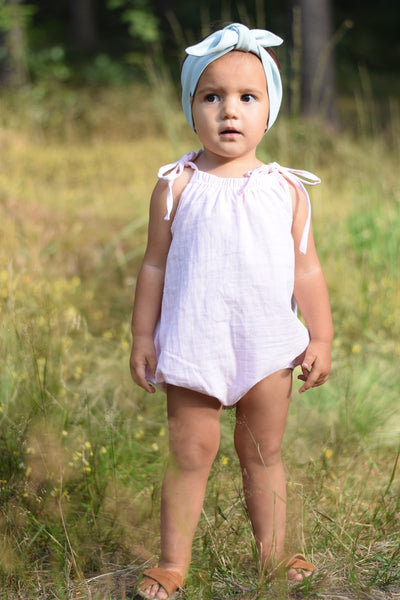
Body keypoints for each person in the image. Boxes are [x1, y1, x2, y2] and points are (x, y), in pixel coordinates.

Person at [130, 22, 333, 600]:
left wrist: (321, 336)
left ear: (270, 111)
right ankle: (172, 563)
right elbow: (154, 266)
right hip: (194, 343)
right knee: (190, 453)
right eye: (211, 96)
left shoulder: (285, 189)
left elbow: (306, 270)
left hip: (266, 346)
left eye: (248, 97)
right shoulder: (177, 186)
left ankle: (276, 555)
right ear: (191, 108)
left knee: (263, 453)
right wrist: (142, 336)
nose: (229, 111)